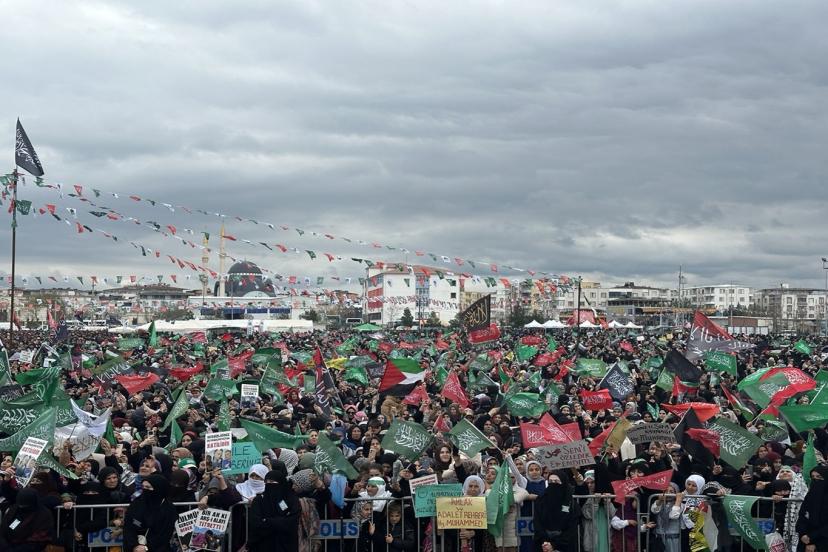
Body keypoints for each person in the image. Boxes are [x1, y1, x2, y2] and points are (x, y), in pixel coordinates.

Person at [247, 461, 301, 552]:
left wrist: (268, 521)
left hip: (286, 545)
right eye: (266, 482)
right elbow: (256, 523)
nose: (269, 485)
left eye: (272, 482)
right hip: (263, 545)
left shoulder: (291, 500)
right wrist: (279, 522)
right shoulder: (259, 500)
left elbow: (291, 521)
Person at [123, 474, 178, 552]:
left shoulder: (168, 508)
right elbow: (129, 526)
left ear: (159, 488)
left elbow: (165, 533)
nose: (145, 490)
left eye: (148, 487)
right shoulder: (137, 503)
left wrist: (146, 548)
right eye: (143, 487)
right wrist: (134, 545)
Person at [0, 488, 55, 552]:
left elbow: (39, 541)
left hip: (28, 548)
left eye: (25, 506)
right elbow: (3, 530)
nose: (22, 507)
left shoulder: (44, 515)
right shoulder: (14, 509)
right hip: (7, 546)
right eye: (20, 505)